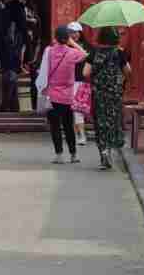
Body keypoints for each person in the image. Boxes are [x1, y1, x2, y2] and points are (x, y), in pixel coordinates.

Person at [84, 26, 130, 171]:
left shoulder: (94, 53)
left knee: (100, 121)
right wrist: (121, 79)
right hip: (115, 94)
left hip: (99, 93)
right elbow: (128, 71)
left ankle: (103, 152)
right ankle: (110, 148)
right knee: (113, 120)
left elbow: (85, 72)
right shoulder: (119, 53)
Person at [44, 25, 88, 164]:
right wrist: (73, 43)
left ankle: (59, 155)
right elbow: (85, 54)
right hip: (67, 95)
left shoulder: (49, 51)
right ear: (67, 38)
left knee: (55, 126)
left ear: (55, 37)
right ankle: (73, 154)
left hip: (52, 95)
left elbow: (43, 70)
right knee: (68, 125)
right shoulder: (72, 53)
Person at [0, 0, 30, 112]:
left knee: (8, 71)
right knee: (12, 71)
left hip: (6, 42)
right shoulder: (19, 7)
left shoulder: (6, 7)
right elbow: (22, 25)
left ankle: (12, 104)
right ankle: (8, 103)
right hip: (15, 41)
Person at [67, 22, 89, 145]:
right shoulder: (65, 47)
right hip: (67, 81)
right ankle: (75, 134)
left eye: (76, 32)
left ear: (80, 33)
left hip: (80, 81)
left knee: (78, 110)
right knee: (71, 110)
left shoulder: (85, 46)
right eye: (71, 32)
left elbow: (87, 56)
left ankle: (81, 135)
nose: (73, 35)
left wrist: (73, 44)